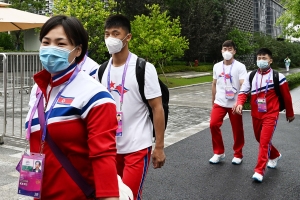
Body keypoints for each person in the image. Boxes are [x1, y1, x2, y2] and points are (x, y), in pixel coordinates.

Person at [25, 15, 120, 199]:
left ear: (77, 50)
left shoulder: (95, 95)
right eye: (46, 42)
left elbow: (103, 158)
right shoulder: (38, 89)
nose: (51, 49)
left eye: (61, 44)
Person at [96, 14, 166, 200]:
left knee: (129, 196)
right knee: (113, 195)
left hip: (137, 145)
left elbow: (157, 107)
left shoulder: (143, 68)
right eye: (106, 34)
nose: (110, 38)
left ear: (128, 37)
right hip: (110, 148)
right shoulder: (101, 71)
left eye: (115, 33)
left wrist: (159, 146)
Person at [234, 48, 295, 182]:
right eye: (259, 58)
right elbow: (244, 91)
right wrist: (239, 103)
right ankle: (275, 155)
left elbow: (287, 97)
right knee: (259, 139)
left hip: (271, 114)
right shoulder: (251, 75)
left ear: (270, 60)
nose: (261, 60)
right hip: (256, 114)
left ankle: (259, 171)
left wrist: (289, 113)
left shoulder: (278, 77)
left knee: (264, 142)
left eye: (264, 58)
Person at [209, 40, 247, 165]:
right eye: (225, 49)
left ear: (234, 51)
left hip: (234, 104)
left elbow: (243, 84)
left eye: (230, 49)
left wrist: (240, 102)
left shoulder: (240, 67)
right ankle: (219, 152)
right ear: (221, 51)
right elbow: (214, 84)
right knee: (213, 124)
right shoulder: (217, 66)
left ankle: (238, 154)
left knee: (237, 129)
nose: (227, 51)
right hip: (219, 102)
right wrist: (213, 101)